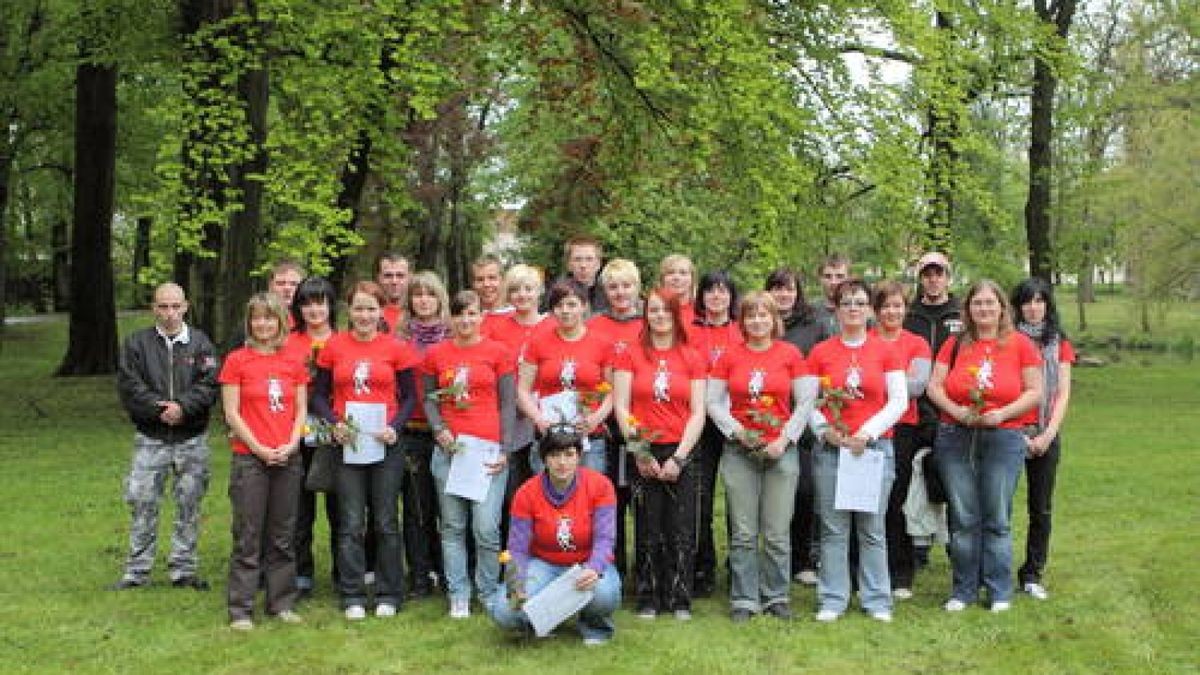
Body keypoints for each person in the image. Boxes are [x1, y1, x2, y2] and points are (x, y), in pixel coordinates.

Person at [925, 279, 1043, 613]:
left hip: (1003, 437)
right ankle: (963, 589)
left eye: (990, 303)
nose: (984, 309)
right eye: (977, 303)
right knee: (962, 516)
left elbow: (1035, 390)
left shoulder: (1021, 344)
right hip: (955, 435)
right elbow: (934, 387)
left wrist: (1002, 413)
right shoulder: (955, 344)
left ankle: (998, 589)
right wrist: (959, 411)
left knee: (996, 515)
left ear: (1002, 308)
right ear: (968, 309)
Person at [311, 281, 420, 620]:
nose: (364, 315)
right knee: (351, 522)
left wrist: (396, 427)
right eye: (358, 308)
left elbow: (410, 397)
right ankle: (352, 593)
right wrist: (334, 423)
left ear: (381, 312)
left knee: (386, 521)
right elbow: (318, 395)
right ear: (349, 311)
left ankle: (390, 592)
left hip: (385, 442)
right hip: (348, 443)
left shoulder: (397, 348)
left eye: (371, 309)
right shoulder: (333, 347)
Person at [706, 291, 817, 622]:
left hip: (780, 452)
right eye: (750, 315)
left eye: (763, 315)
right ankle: (744, 598)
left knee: (777, 530)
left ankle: (775, 595)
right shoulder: (728, 356)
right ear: (742, 321)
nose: (757, 321)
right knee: (742, 531)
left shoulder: (791, 354)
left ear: (774, 319)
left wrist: (784, 440)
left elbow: (806, 402)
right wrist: (740, 433)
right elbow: (712, 402)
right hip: (741, 451)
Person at [807, 278, 907, 623]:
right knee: (833, 529)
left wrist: (867, 433)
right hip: (832, 450)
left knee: (871, 527)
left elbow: (898, 400)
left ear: (869, 310)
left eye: (860, 302)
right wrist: (825, 431)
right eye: (846, 302)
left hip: (873, 449)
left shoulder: (886, 350)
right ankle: (833, 598)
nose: (853, 308)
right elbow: (809, 401)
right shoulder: (821, 352)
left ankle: (877, 599)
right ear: (835, 308)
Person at [112, 283, 220, 590]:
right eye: (163, 306)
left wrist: (183, 407)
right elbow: (129, 385)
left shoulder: (201, 344)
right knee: (142, 502)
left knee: (189, 504)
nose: (169, 313)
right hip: (151, 437)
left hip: (192, 439)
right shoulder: (136, 344)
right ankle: (137, 572)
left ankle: (183, 569)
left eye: (175, 306)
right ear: (153, 309)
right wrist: (159, 409)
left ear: (186, 306)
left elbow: (210, 384)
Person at [613, 288, 706, 621]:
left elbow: (698, 411)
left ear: (676, 314)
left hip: (680, 448)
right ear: (645, 313)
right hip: (643, 448)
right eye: (653, 310)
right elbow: (622, 407)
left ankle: (680, 597)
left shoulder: (692, 356)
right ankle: (649, 596)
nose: (660, 316)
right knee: (647, 524)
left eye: (666, 310)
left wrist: (680, 457)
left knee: (681, 525)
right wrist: (639, 450)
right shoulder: (630, 354)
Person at [422, 290, 517, 619]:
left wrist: (505, 447)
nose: (466, 320)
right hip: (450, 452)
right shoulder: (436, 353)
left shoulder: (499, 353)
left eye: (472, 313)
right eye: (460, 314)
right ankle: (458, 593)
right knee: (451, 526)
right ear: (451, 317)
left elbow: (507, 403)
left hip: (488, 453)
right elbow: (430, 399)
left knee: (486, 528)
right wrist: (438, 429)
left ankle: (489, 591)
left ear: (482, 316)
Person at [219, 293, 309, 630]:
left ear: (281, 322)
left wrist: (290, 443)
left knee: (283, 534)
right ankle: (241, 609)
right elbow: (231, 413)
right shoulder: (236, 361)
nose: (263, 325)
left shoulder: (294, 361)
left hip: (287, 456)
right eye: (257, 318)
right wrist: (257, 448)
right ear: (249, 322)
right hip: (250, 459)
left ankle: (281, 603)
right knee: (249, 533)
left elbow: (300, 409)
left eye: (270, 318)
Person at [488, 428, 621, 645]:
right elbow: (518, 547)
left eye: (569, 454)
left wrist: (594, 568)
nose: (562, 462)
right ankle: (540, 623)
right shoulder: (526, 493)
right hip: (544, 563)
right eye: (554, 455)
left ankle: (595, 627)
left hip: (585, 562)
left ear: (579, 456)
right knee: (506, 612)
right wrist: (517, 583)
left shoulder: (600, 486)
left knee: (604, 594)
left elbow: (605, 539)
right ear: (544, 459)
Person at [765, 267, 829, 586]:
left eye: (788, 289)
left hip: (801, 421)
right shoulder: (758, 322)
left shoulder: (814, 326)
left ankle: (802, 558)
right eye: (777, 289)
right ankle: (765, 556)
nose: (783, 295)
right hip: (762, 420)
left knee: (804, 490)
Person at [1011, 278, 1074, 601]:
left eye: (1039, 301)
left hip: (1046, 432)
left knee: (1041, 508)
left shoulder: (1058, 341)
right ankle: (993, 568)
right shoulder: (1007, 339)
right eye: (1026, 302)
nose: (1033, 308)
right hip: (1010, 433)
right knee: (999, 506)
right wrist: (1020, 434)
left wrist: (1049, 433)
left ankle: (1032, 572)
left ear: (1047, 305)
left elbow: (1063, 391)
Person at [870, 280, 932, 599]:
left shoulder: (917, 344)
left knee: (896, 500)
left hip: (903, 429)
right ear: (875, 311)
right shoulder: (864, 340)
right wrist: (893, 383)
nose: (892, 312)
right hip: (866, 430)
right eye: (886, 306)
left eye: (897, 306)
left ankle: (900, 573)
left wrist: (872, 384)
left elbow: (917, 385)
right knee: (866, 502)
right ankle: (863, 569)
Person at [903, 251, 963, 565]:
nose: (933, 279)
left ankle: (957, 543)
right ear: (920, 278)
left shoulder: (961, 314)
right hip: (914, 407)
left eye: (939, 273)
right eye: (927, 274)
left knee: (952, 477)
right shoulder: (908, 314)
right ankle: (918, 543)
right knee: (916, 477)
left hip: (952, 408)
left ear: (948, 277)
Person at [585, 258, 644, 575]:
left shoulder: (650, 322)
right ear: (604, 290)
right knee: (609, 502)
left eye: (626, 285)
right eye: (613, 287)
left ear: (637, 287)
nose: (620, 293)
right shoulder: (594, 325)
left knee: (643, 502)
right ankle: (612, 566)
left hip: (643, 424)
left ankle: (645, 569)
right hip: (604, 427)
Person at [283, 276, 341, 598]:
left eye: (320, 301)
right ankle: (301, 572)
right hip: (295, 428)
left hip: (336, 429)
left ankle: (342, 571)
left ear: (331, 305)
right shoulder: (287, 341)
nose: (314, 309)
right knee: (299, 505)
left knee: (339, 505)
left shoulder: (344, 340)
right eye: (306, 302)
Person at [687, 269, 743, 597]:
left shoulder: (741, 330)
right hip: (700, 421)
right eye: (710, 291)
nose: (717, 297)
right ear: (702, 296)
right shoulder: (690, 331)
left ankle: (739, 566)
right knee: (702, 495)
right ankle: (702, 564)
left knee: (738, 497)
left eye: (723, 291)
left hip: (735, 419)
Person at [519, 281, 613, 474]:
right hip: (549, 435)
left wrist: (597, 418)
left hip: (589, 437)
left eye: (571, 304)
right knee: (547, 499)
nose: (565, 311)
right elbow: (522, 390)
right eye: (559, 306)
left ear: (584, 306)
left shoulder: (602, 344)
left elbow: (613, 391)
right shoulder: (538, 343)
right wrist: (538, 418)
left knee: (588, 497)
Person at [396, 271, 451, 597]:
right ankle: (419, 574)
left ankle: (448, 572)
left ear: (440, 298)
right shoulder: (400, 339)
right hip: (413, 430)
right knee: (418, 508)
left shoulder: (454, 336)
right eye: (417, 295)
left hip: (447, 432)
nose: (423, 300)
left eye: (429, 294)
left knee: (449, 509)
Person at [551, 235, 608, 314]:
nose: (583, 265)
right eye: (577, 259)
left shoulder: (609, 291)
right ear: (569, 264)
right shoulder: (556, 293)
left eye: (589, 259)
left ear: (598, 264)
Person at [812, 254, 851, 336]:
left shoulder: (862, 312)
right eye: (828, 276)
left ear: (849, 278)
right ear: (820, 279)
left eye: (840, 276)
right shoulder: (809, 312)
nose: (833, 282)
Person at [657, 253, 696, 325]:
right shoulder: (652, 311)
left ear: (692, 279)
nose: (676, 277)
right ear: (662, 279)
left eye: (683, 273)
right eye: (670, 273)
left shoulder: (704, 311)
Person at [376, 251, 411, 331]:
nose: (394, 281)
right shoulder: (368, 313)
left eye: (400, 275)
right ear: (379, 278)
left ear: (409, 277)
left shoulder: (419, 313)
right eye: (388, 275)